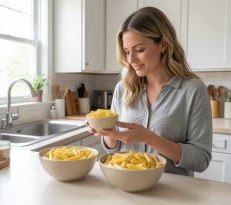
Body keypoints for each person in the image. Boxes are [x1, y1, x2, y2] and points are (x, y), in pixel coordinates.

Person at [85, 7, 212, 176]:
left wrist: (148, 137)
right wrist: (106, 132)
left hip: (171, 194)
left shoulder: (193, 90)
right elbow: (113, 151)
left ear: (163, 44)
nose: (131, 60)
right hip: (126, 189)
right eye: (127, 52)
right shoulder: (123, 89)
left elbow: (201, 159)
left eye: (139, 50)